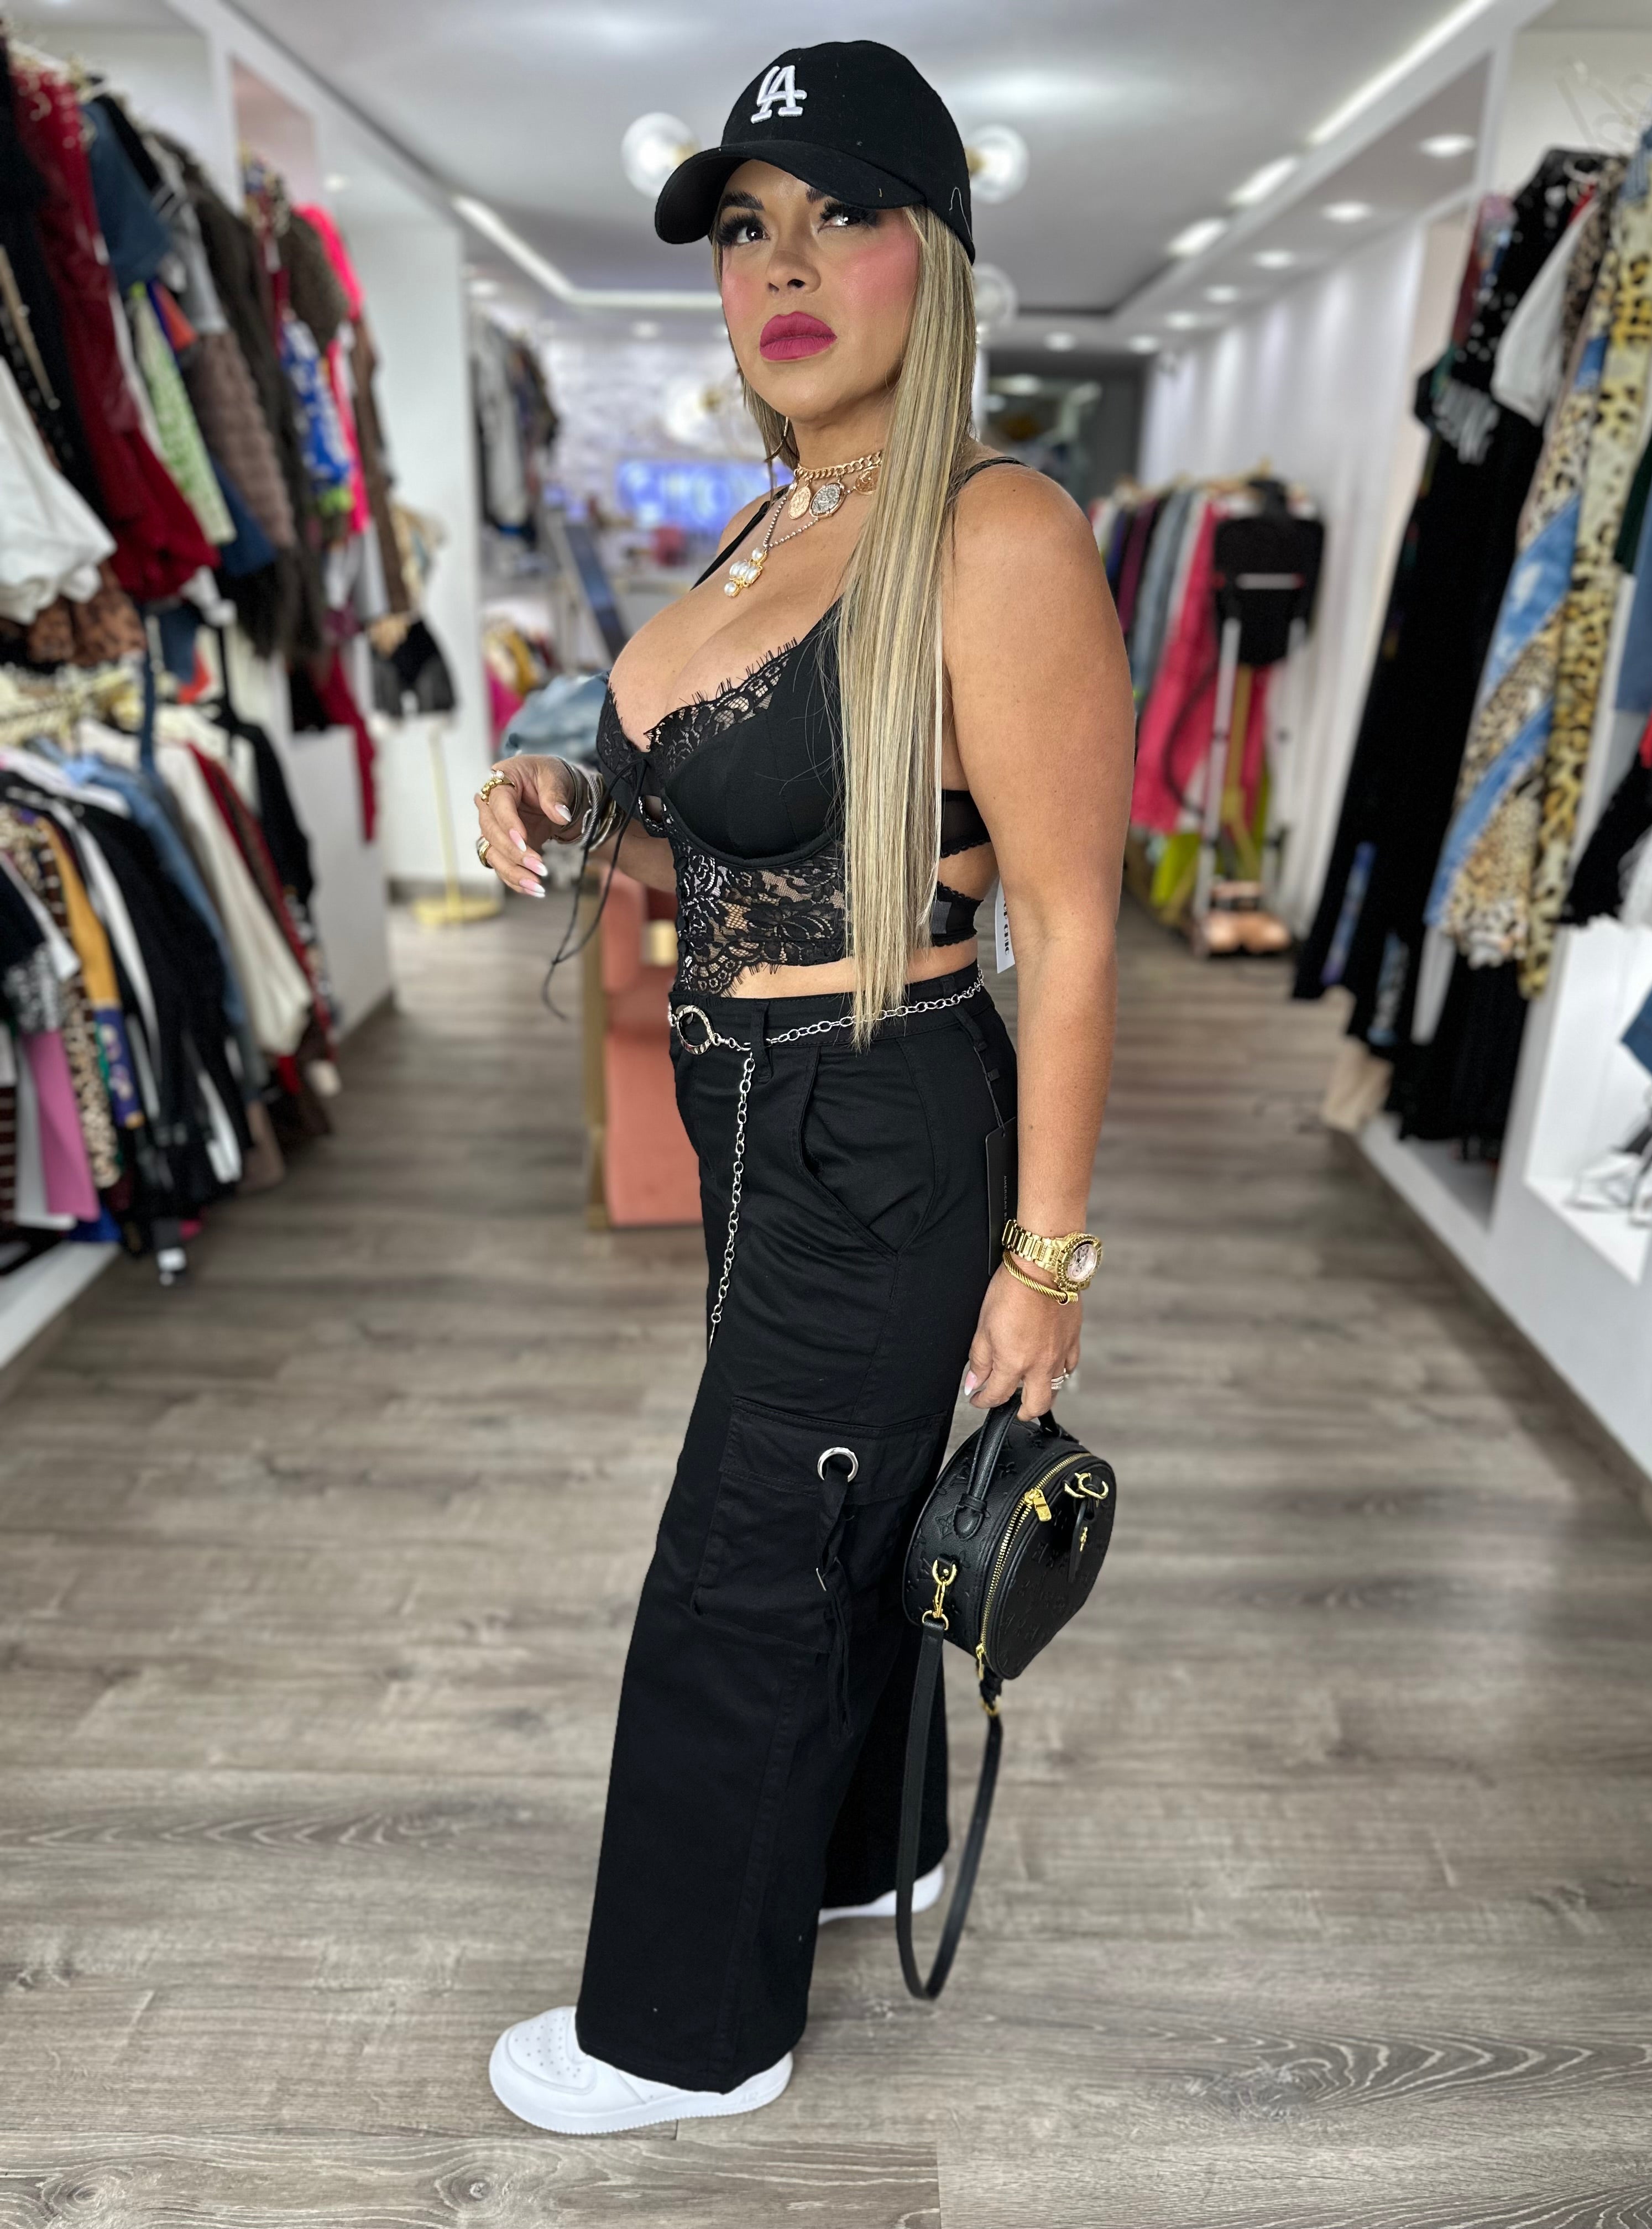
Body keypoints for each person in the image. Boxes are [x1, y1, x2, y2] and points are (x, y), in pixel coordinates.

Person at [472, 39, 1131, 2136]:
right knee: (829, 1520)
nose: (785, 265)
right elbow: (751, 840)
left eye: (844, 215)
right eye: (747, 228)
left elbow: (1071, 926)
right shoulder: (778, 521)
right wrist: (570, 792)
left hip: (881, 1113)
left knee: (745, 1561)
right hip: (752, 1109)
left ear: (938, 256)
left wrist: (1049, 1261)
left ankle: (688, 2032)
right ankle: (865, 1854)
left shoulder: (995, 529)